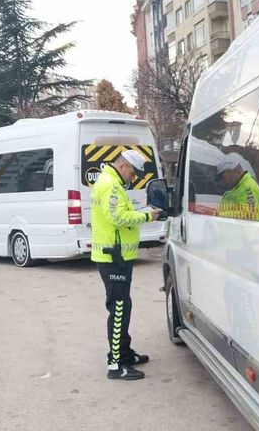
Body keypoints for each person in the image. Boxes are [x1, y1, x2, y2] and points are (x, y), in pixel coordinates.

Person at [91, 150, 161, 381]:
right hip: (114, 257)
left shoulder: (111, 181)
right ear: (123, 165)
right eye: (133, 172)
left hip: (116, 255)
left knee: (123, 306)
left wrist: (142, 212)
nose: (133, 177)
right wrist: (148, 217)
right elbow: (118, 218)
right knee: (119, 309)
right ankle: (115, 365)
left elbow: (122, 213)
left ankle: (124, 353)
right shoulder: (111, 185)